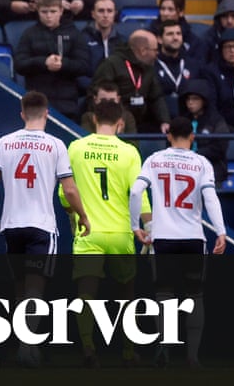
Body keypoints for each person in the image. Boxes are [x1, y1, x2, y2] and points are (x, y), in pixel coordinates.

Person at [0, 92, 88, 366]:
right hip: (41, 226)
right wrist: (83, 215)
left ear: (22, 114)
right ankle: (27, 347)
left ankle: (26, 345)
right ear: (47, 114)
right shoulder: (56, 145)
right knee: (36, 289)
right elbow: (69, 188)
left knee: (19, 290)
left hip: (11, 226)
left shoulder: (4, 143)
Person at [130, 116, 226, 367]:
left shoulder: (154, 159)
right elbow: (210, 198)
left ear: (168, 135)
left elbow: (136, 191)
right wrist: (221, 231)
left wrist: (135, 226)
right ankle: (192, 356)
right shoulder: (201, 162)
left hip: (163, 238)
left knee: (164, 294)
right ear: (192, 137)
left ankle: (164, 347)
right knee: (195, 295)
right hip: (193, 237)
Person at [65, 99, 149, 368]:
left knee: (86, 293)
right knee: (127, 294)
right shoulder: (129, 153)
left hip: (88, 230)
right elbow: (138, 195)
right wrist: (145, 226)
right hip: (120, 231)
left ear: (92, 120)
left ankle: (88, 348)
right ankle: (128, 351)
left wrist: (77, 216)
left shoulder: (76, 148)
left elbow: (65, 195)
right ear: (120, 123)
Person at [14, 0, 90, 120]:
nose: (49, 16)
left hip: (67, 101)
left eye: (53, 11)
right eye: (44, 12)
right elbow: (19, 64)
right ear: (37, 11)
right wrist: (44, 62)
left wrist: (63, 64)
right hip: (37, 101)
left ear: (61, 10)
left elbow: (84, 65)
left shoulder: (74, 33)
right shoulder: (29, 34)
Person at [92, 29, 172, 132]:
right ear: (143, 50)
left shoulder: (149, 68)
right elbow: (100, 96)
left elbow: (156, 97)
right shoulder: (111, 64)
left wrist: (164, 121)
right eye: (155, 50)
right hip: (117, 122)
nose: (157, 53)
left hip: (142, 121)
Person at [177, 78, 231, 184]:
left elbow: (220, 147)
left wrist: (195, 154)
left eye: (195, 99)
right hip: (184, 168)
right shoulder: (182, 120)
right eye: (188, 99)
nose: (190, 103)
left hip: (211, 169)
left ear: (204, 100)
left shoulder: (216, 120)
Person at [155, 19, 201, 103]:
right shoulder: (152, 65)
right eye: (170, 34)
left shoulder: (194, 65)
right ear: (159, 39)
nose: (175, 38)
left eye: (178, 34)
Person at [82, 0, 123, 78]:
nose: (105, 15)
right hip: (90, 88)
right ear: (93, 14)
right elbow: (79, 73)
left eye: (109, 11)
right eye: (101, 11)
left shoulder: (122, 42)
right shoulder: (82, 39)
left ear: (115, 14)